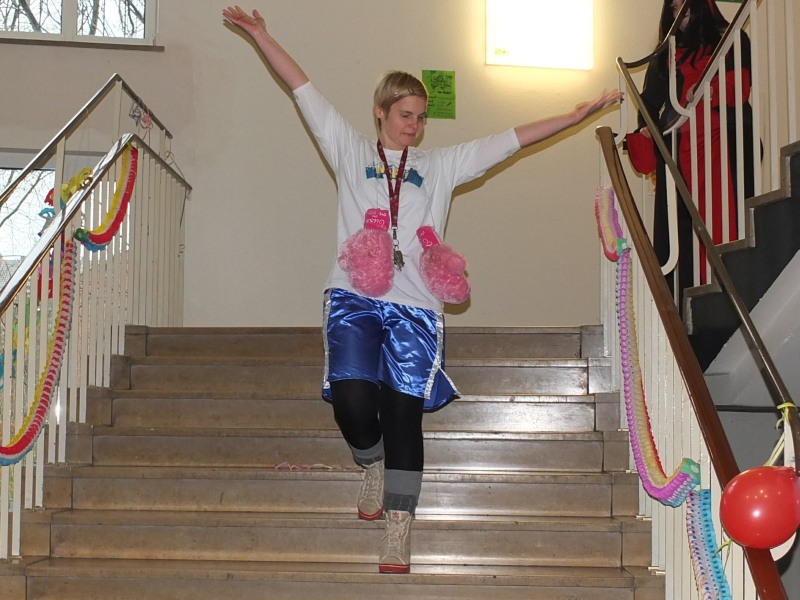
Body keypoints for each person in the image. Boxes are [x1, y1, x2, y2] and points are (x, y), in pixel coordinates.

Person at [222, 4, 622, 575]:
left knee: (404, 413)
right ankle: (371, 461)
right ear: (381, 111)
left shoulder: (440, 165)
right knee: (352, 399)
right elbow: (302, 89)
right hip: (355, 296)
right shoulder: (349, 149)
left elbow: (510, 140)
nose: (415, 125)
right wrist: (262, 36)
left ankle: (399, 526)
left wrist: (574, 115)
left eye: (421, 117)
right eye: (405, 115)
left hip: (415, 307)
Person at [637, 0, 754, 302]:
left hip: (723, 145)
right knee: (681, 232)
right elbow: (648, 101)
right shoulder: (667, 52)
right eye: (674, 8)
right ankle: (684, 304)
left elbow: (741, 85)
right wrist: (645, 128)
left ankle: (724, 298)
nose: (680, 12)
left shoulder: (731, 38)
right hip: (679, 151)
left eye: (685, 4)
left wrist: (710, 89)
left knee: (724, 223)